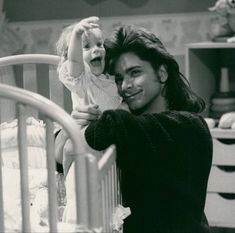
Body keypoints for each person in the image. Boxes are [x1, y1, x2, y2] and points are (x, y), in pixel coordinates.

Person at [56, 24, 213, 233]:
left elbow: (115, 126)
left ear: (162, 73)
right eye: (119, 79)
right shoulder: (134, 125)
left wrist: (76, 139)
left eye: (135, 72)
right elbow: (59, 156)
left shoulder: (189, 126)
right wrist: (71, 126)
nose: (125, 86)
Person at [55, 16, 122, 172]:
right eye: (86, 47)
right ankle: (68, 186)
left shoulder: (109, 79)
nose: (96, 49)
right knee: (80, 165)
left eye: (99, 44)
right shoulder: (82, 79)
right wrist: (77, 34)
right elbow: (75, 62)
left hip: (109, 135)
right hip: (85, 132)